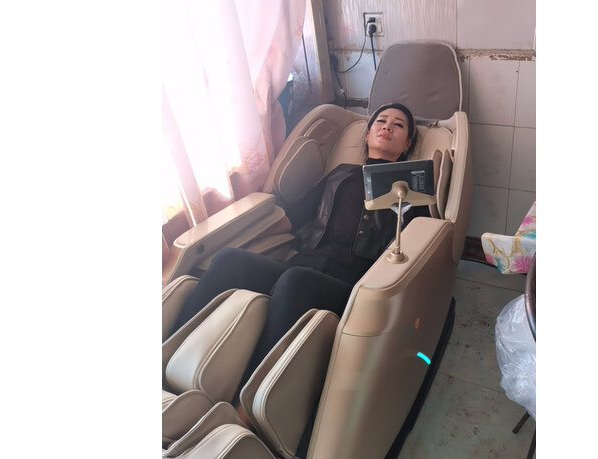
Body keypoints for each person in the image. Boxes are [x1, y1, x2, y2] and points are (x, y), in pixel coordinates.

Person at [172, 102, 427, 383]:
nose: (387, 127)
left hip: (353, 288)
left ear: (407, 144)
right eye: (381, 121)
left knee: (295, 280)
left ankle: (251, 393)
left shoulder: (411, 192)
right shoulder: (341, 174)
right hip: (302, 265)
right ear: (367, 135)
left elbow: (418, 246)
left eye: (398, 125)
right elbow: (293, 217)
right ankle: (168, 351)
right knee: (228, 259)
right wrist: (241, 234)